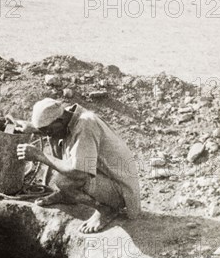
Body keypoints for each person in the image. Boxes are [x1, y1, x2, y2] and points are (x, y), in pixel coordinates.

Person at [16, 98, 140, 233]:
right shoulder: (67, 116)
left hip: (120, 189)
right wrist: (34, 128)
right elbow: (57, 128)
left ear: (60, 120)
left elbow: (79, 172)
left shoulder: (85, 125)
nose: (47, 134)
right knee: (57, 143)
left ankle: (106, 209)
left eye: (48, 130)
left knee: (64, 180)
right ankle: (68, 196)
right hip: (104, 175)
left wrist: (39, 155)